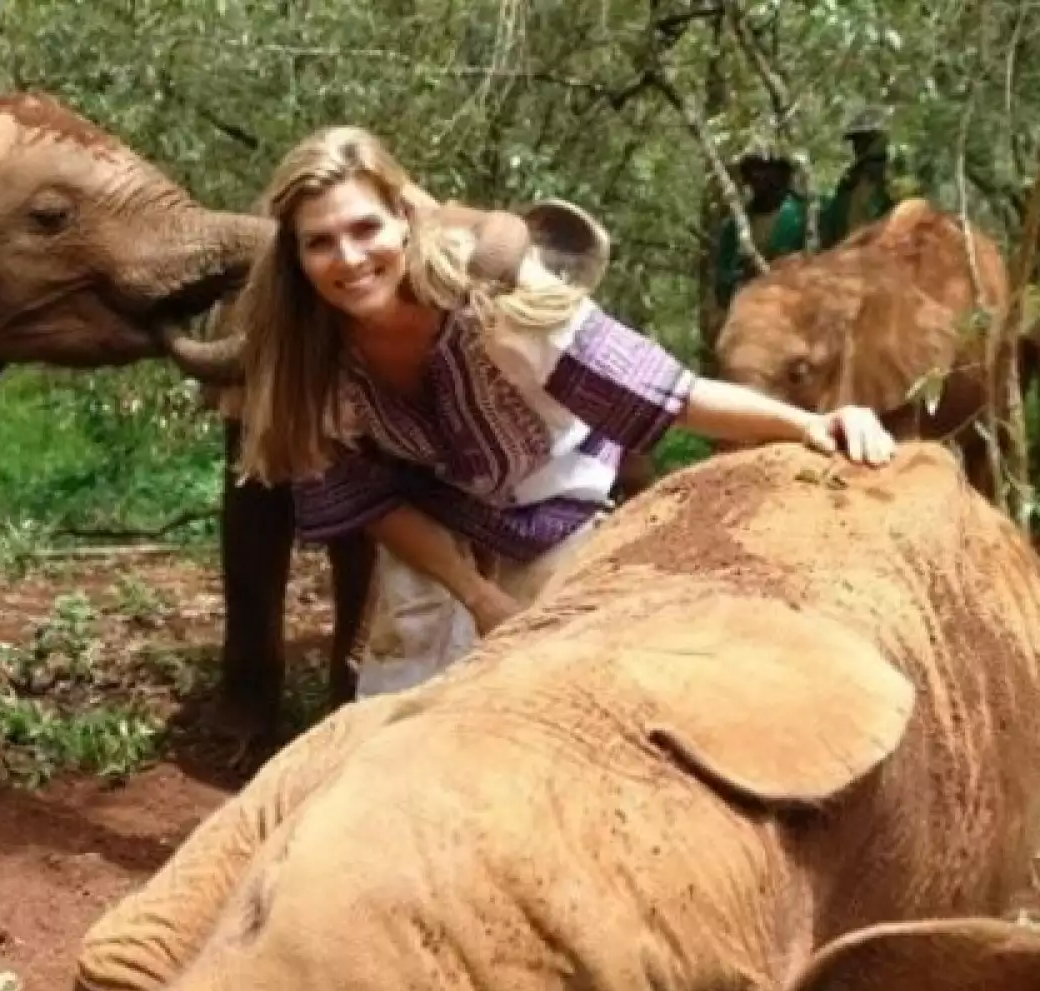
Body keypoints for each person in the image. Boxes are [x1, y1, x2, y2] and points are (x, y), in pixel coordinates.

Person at [230, 125, 897, 697]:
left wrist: (810, 424)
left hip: (557, 499)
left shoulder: (500, 297)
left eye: (365, 227)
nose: (349, 258)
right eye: (320, 242)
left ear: (403, 219)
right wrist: (476, 593)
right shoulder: (302, 359)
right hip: (433, 515)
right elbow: (371, 498)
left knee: (556, 688)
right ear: (294, 256)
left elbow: (667, 393)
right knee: (398, 698)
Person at [713, 151, 808, 310]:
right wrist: (742, 277)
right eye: (751, 169)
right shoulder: (733, 228)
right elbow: (722, 284)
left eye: (764, 169)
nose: (756, 176)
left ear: (782, 173)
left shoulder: (806, 215)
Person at [820, 107, 897, 248]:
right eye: (857, 142)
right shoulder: (849, 181)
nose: (858, 147)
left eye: (865, 141)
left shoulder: (894, 181)